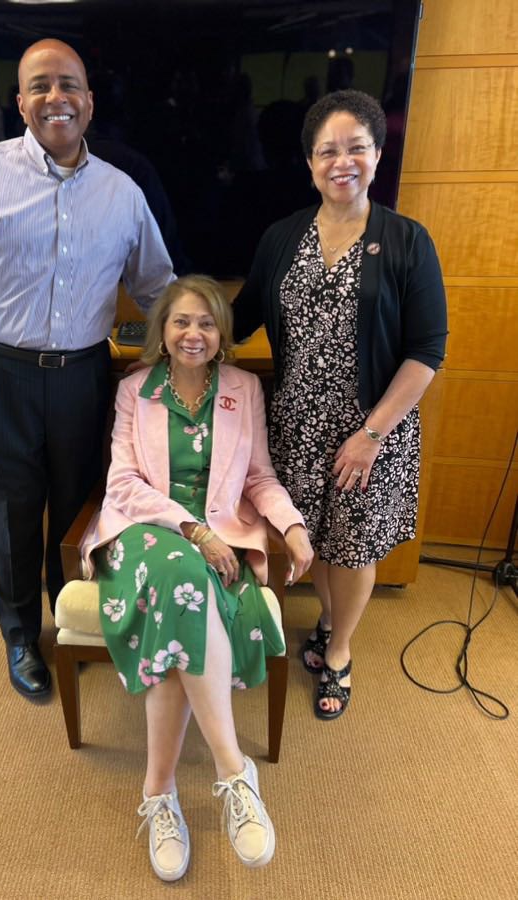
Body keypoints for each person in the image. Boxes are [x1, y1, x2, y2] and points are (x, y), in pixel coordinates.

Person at [0, 39, 174, 699]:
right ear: (20, 101)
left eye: (69, 85)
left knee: (80, 510)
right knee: (10, 511)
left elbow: (156, 287)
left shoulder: (122, 190)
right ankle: (21, 636)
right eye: (41, 85)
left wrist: (196, 348)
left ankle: (74, 620)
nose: (57, 97)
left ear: (89, 99)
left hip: (85, 376)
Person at [80, 275, 314, 881]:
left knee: (179, 619)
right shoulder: (137, 390)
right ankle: (234, 772)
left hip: (222, 540)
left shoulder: (242, 389)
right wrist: (193, 530)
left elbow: (259, 477)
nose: (194, 333)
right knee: (184, 571)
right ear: (162, 329)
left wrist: (290, 526)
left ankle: (159, 793)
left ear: (221, 335)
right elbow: (124, 483)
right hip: (144, 530)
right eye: (182, 321)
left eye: (207, 323)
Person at [232, 90, 447, 720]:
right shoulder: (282, 237)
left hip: (371, 432)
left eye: (356, 148)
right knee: (315, 541)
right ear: (309, 162)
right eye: (328, 150)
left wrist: (372, 434)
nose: (342, 161)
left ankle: (342, 650)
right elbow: (241, 317)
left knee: (353, 548)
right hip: (296, 423)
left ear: (377, 157)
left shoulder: (408, 241)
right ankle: (327, 621)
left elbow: (426, 351)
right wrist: (178, 332)